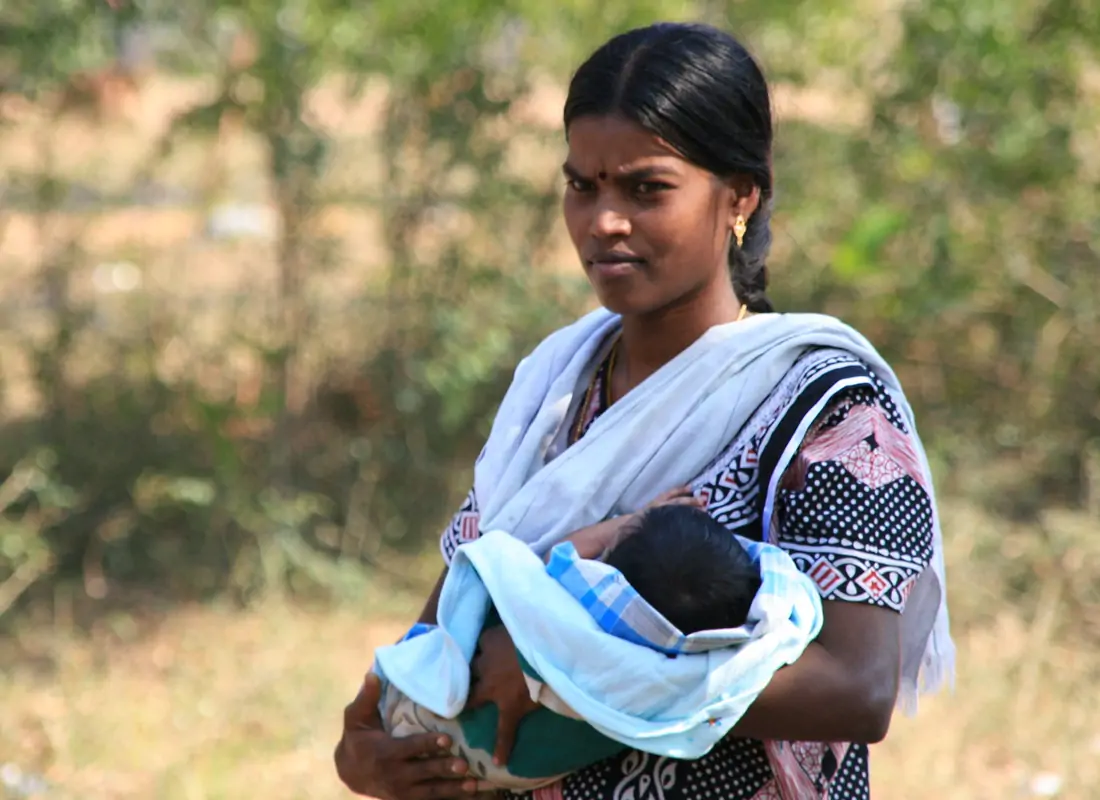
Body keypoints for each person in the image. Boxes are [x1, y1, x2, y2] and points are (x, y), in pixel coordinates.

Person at [335, 21, 952, 800]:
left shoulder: (822, 409)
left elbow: (856, 691)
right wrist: (368, 755)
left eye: (646, 188)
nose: (604, 222)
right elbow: (450, 621)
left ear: (741, 195)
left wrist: (566, 670)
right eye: (582, 186)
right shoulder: (554, 394)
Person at [376, 498, 767, 791]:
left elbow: (551, 558)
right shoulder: (667, 675)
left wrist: (621, 523)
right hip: (508, 774)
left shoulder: (572, 602)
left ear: (609, 566)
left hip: (424, 713)